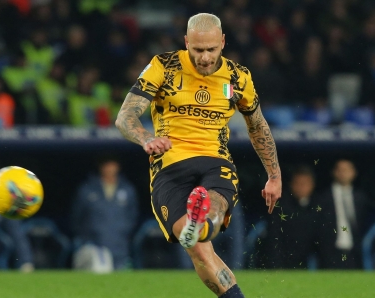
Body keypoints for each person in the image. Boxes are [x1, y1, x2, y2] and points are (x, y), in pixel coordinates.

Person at [115, 13, 282, 298]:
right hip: (169, 165)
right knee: (200, 253)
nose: (205, 58)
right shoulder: (163, 66)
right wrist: (147, 139)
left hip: (215, 160)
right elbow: (125, 117)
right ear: (186, 42)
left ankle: (204, 219)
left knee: (212, 206)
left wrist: (274, 175)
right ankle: (200, 226)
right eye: (198, 50)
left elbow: (258, 126)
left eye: (211, 50)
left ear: (223, 42)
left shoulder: (238, 78)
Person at [71, 155, 139, 271]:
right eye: (106, 164)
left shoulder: (127, 189)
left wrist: (123, 231)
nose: (110, 168)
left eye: (112, 164)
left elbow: (133, 216)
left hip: (120, 246)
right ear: (100, 166)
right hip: (94, 246)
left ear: (118, 166)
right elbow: (76, 217)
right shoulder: (87, 189)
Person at [261, 165, 319, 269]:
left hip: (305, 263)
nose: (301, 187)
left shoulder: (318, 208)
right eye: (298, 183)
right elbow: (274, 239)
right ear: (291, 185)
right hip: (281, 262)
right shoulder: (279, 207)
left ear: (312, 185)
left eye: (305, 184)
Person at [314, 159, 367, 269]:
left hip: (353, 253)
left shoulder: (360, 198)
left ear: (354, 173)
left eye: (347, 170)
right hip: (329, 254)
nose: (343, 173)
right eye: (340, 170)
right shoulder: (322, 198)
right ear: (334, 172)